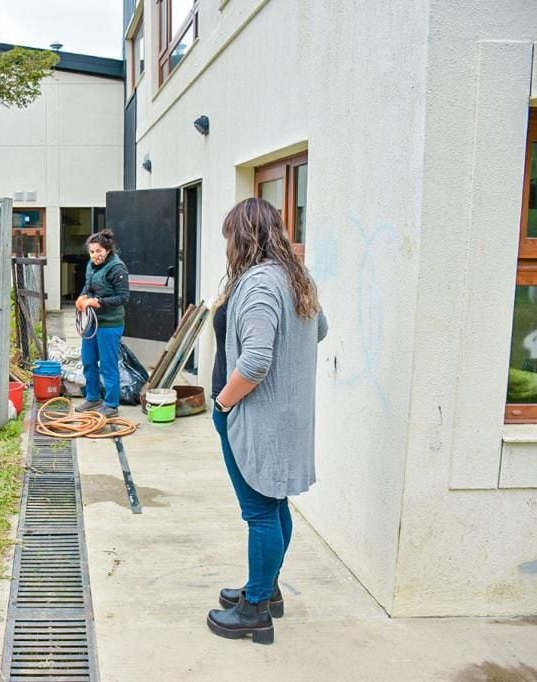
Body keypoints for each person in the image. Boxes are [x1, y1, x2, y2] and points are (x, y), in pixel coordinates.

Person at [206, 198, 328, 645]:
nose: (227, 248)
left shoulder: (259, 285)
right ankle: (267, 588)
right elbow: (319, 329)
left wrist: (223, 403)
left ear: (243, 238)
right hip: (285, 420)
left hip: (256, 417)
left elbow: (256, 361)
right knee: (275, 506)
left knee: (259, 512)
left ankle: (255, 612)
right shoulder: (295, 277)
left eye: (229, 239)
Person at [75, 229, 130, 418]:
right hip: (92, 321)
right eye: (92, 252)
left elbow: (123, 297)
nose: (95, 255)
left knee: (108, 364)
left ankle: (111, 404)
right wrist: (82, 296)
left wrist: (98, 302)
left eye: (99, 251)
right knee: (89, 360)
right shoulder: (91, 265)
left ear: (107, 250)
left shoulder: (117, 268)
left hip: (110, 323)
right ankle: (93, 397)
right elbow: (88, 285)